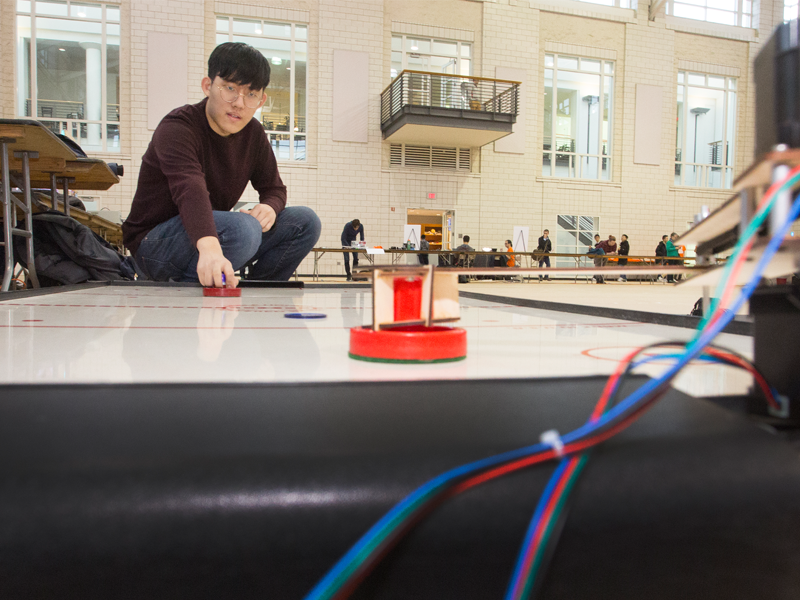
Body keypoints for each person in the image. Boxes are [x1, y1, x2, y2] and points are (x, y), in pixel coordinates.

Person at [122, 42, 321, 287]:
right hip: (153, 245)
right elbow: (190, 189)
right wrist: (210, 247)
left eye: (251, 94)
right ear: (208, 86)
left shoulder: (254, 134)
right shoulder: (178, 127)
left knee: (304, 221)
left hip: (211, 236)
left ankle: (259, 296)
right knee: (243, 230)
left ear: (261, 100)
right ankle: (186, 292)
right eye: (230, 88)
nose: (239, 103)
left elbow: (275, 189)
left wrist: (270, 207)